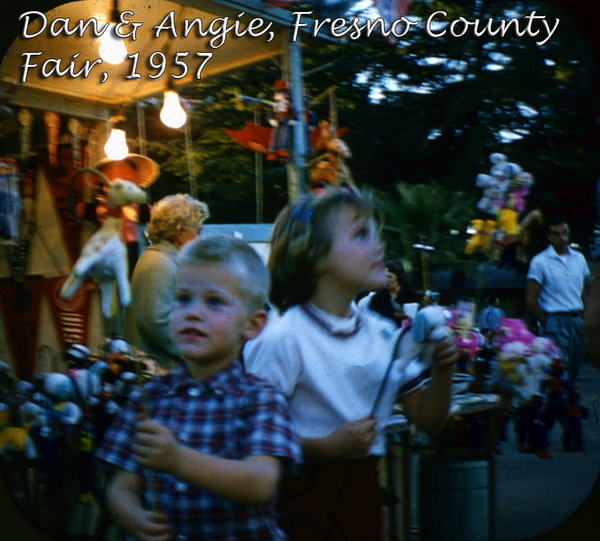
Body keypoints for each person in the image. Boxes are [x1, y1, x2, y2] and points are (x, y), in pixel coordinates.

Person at [244, 190, 458, 540]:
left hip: (362, 497)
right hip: (299, 503)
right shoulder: (284, 338)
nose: (379, 246)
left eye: (376, 233)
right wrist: (327, 447)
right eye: (361, 234)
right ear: (313, 255)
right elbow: (248, 438)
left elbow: (429, 420)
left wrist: (444, 370)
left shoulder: (384, 335)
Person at [96, 234, 302, 541]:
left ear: (252, 325)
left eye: (214, 301)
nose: (193, 312)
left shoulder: (261, 398)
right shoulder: (147, 398)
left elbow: (260, 483)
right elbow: (120, 487)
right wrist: (134, 519)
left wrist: (178, 460)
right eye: (182, 298)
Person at [122, 194, 209, 370]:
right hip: (158, 370)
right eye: (197, 232)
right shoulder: (159, 263)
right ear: (180, 234)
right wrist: (196, 353)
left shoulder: (162, 259)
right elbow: (157, 323)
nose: (199, 239)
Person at [526, 216, 590, 382]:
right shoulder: (540, 261)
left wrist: (587, 319)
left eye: (564, 232)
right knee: (558, 369)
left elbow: (583, 292)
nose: (562, 237)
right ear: (549, 236)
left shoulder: (579, 259)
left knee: (574, 368)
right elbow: (531, 299)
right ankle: (557, 404)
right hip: (554, 320)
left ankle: (568, 404)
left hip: (576, 319)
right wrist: (546, 322)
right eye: (556, 233)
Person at [360, 258, 419, 327]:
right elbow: (374, 315)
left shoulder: (410, 294)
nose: (386, 280)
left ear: (398, 277)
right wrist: (394, 314)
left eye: (390, 277)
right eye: (384, 276)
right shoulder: (379, 297)